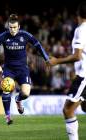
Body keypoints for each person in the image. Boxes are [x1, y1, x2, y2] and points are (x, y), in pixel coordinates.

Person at [0, 14, 49, 125]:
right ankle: (8, 116)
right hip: (8, 69)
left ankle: (18, 99)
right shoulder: (3, 36)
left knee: (25, 93)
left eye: (15, 27)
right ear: (8, 27)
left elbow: (38, 45)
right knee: (6, 89)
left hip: (22, 69)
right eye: (10, 27)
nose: (12, 29)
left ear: (19, 26)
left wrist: (47, 59)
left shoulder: (25, 35)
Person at [46, 2, 86, 140]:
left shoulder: (80, 30)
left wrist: (57, 61)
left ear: (77, 14)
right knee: (85, 107)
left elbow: (77, 56)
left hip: (84, 77)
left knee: (68, 110)